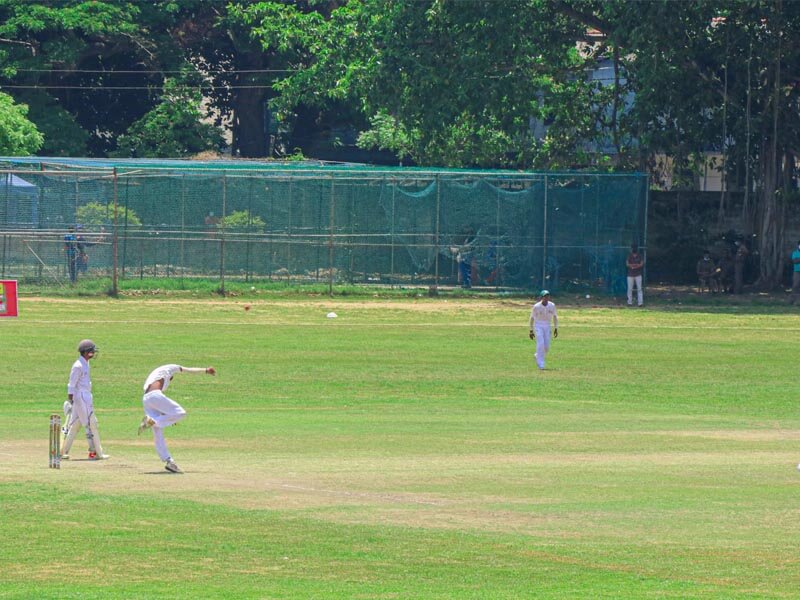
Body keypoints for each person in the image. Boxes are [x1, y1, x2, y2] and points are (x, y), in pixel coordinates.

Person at [138, 363, 216, 473]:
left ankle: (169, 462)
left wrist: (168, 418)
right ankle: (152, 421)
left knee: (157, 431)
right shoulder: (170, 368)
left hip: (146, 399)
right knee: (181, 413)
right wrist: (206, 370)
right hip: (155, 395)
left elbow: (153, 399)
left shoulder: (154, 377)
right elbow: (188, 369)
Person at [62, 339, 109, 460]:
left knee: (76, 425)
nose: (94, 353)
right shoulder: (78, 366)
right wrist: (70, 399)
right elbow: (71, 384)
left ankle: (62, 452)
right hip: (81, 397)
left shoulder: (85, 363)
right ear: (87, 352)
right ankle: (97, 452)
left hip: (85, 396)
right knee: (92, 423)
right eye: (92, 351)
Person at [528, 290, 558, 370]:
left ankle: (538, 355)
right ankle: (541, 364)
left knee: (546, 347)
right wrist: (531, 330)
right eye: (545, 296)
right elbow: (532, 318)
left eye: (548, 296)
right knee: (540, 343)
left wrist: (556, 328)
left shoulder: (552, 305)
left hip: (547, 325)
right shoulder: (536, 306)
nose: (546, 298)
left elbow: (555, 316)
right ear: (541, 297)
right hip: (538, 325)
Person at [791, 240, 800, 305]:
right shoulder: (795, 253)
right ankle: (793, 299)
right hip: (797, 271)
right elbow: (795, 261)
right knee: (795, 285)